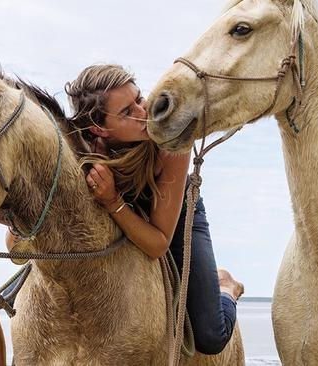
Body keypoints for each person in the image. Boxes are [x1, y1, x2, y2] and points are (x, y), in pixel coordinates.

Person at [61, 64, 244, 355]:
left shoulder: (171, 142)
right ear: (99, 129)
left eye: (139, 98)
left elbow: (158, 243)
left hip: (178, 213)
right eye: (127, 112)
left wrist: (112, 202)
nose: (143, 111)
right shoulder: (80, 148)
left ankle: (225, 288)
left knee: (211, 336)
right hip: (118, 208)